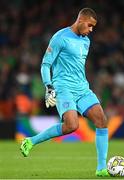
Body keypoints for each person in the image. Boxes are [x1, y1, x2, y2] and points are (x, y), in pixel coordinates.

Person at [20, 8, 109, 177]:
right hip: (64, 88)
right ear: (81, 20)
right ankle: (30, 141)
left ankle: (101, 168)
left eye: (93, 27)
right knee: (71, 126)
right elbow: (45, 64)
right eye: (90, 25)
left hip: (82, 88)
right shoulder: (60, 38)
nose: (91, 30)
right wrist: (49, 86)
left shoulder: (86, 41)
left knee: (102, 121)